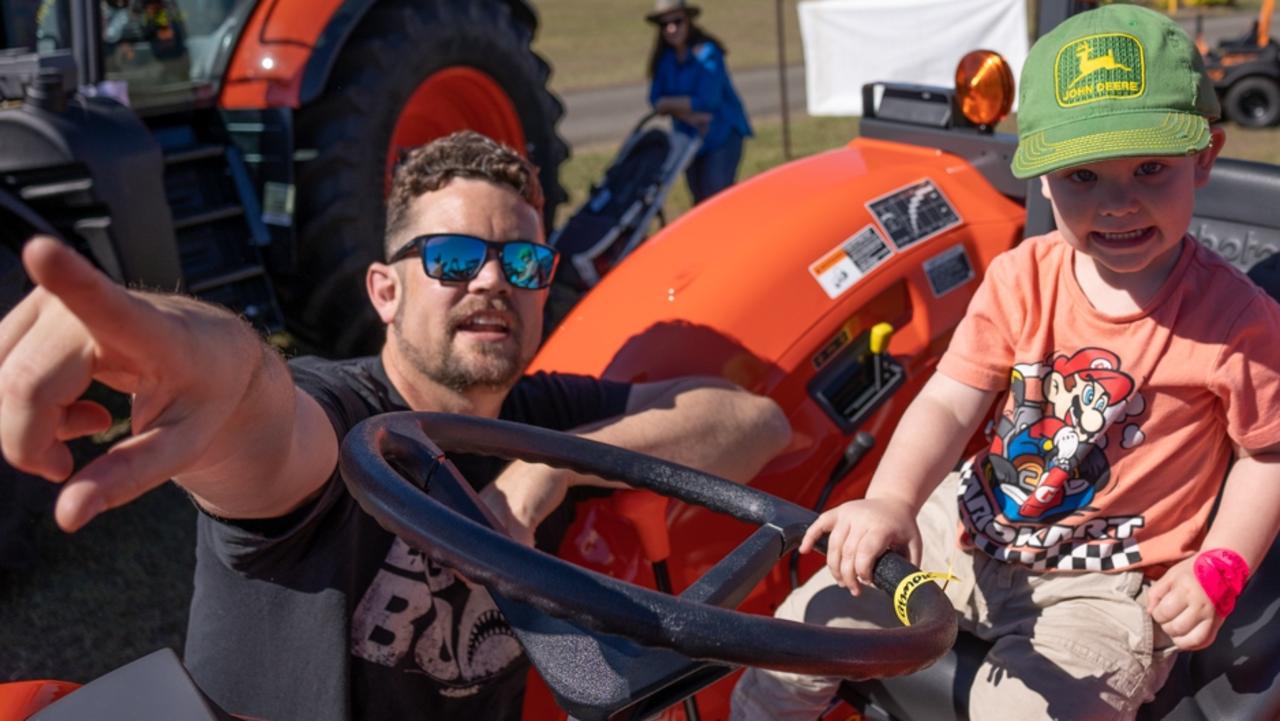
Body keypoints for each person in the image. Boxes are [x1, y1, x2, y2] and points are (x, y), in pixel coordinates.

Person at [0, 130, 791, 721]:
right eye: (451, 257)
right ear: (384, 291)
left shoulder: (539, 417)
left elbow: (752, 420)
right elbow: (265, 414)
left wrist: (550, 469)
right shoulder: (342, 416)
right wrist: (222, 361)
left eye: (522, 264)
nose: (490, 279)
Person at [731, 6, 1280, 721]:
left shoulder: (1238, 321)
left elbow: (1267, 457)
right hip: (964, 526)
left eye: (1150, 168)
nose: (1118, 203)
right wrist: (893, 501)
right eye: (1082, 175)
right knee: (795, 643)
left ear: (1203, 156)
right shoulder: (1022, 277)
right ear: (1043, 179)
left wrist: (1221, 565)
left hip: (1107, 579)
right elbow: (949, 400)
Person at [645, 0, 752, 205]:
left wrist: (669, 105)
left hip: (721, 135)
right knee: (698, 200)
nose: (671, 29)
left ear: (688, 22)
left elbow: (707, 100)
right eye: (664, 25)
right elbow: (655, 99)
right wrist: (687, 113)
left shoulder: (708, 53)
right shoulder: (666, 59)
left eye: (677, 21)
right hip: (690, 138)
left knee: (716, 196)